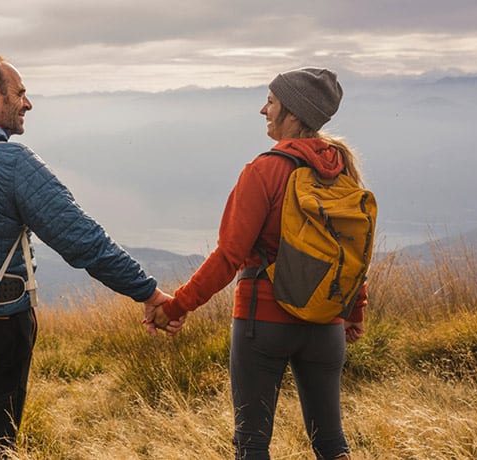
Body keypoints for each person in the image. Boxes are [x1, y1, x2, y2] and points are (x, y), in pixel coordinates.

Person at [0, 54, 184, 460]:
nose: (28, 103)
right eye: (20, 93)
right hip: (1, 321)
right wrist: (148, 292)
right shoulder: (14, 163)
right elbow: (83, 241)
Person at [149, 68, 367, 459]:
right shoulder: (342, 171)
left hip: (262, 322)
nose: (262, 110)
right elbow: (352, 250)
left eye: (270, 102)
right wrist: (354, 310)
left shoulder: (264, 171)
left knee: (252, 443)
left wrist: (175, 307)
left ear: (294, 114)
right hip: (326, 323)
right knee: (331, 442)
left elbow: (228, 256)